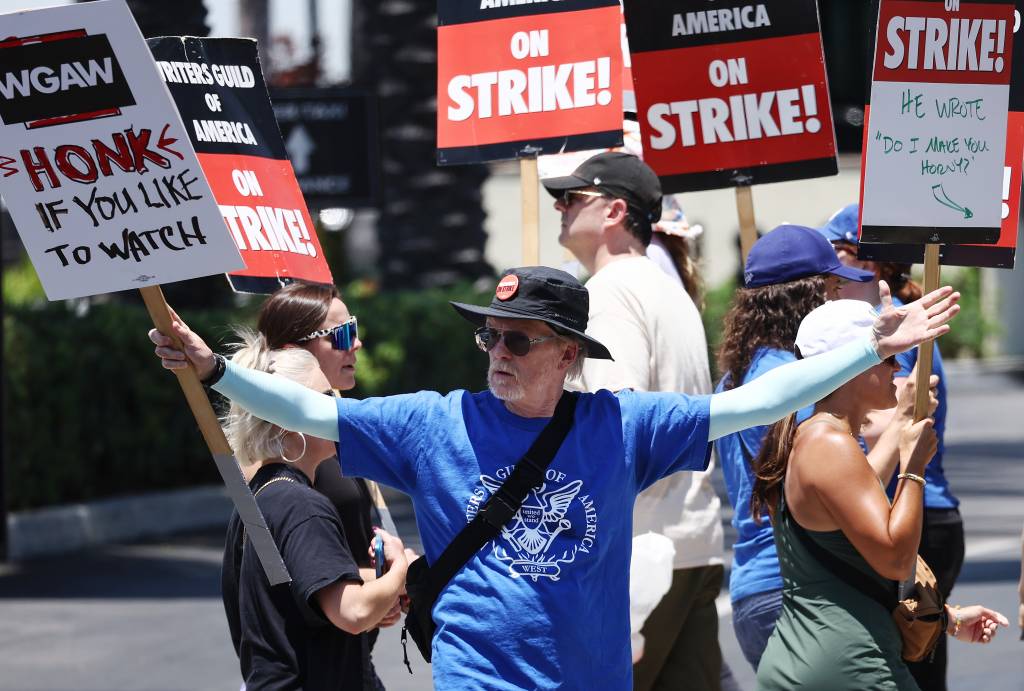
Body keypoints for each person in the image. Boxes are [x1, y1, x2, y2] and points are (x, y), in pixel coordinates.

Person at [150, 266, 959, 690]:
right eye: (490, 337)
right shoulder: (432, 422)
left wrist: (872, 348)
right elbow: (307, 410)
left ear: (568, 354)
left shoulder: (620, 424)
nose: (497, 352)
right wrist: (215, 367)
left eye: (519, 340)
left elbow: (755, 402)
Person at [753, 299, 1008, 691]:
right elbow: (895, 559)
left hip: (817, 660)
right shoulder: (829, 445)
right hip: (849, 667)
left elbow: (858, 514)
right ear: (853, 366)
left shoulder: (816, 436)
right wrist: (914, 467)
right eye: (888, 357)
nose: (897, 368)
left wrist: (947, 619)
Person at [545, 151, 725, 691]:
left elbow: (615, 424)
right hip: (691, 540)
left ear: (615, 211)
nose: (559, 207)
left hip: (638, 553)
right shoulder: (669, 289)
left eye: (572, 197)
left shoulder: (608, 292)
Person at [714, 223, 878, 670]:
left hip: (758, 590)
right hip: (798, 590)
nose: (837, 299)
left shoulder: (736, 376)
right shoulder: (792, 381)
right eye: (833, 288)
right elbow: (843, 492)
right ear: (807, 295)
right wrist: (903, 440)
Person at [819, 203, 963, 690]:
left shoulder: (900, 330)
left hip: (915, 510)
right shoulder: (884, 325)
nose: (831, 271)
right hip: (905, 507)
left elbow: (885, 429)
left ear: (872, 260)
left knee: (909, 672)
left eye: (839, 254)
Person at [218, 335, 408, 690]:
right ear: (286, 420)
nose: (335, 410)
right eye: (323, 399)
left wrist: (379, 591)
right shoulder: (302, 506)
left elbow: (295, 606)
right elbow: (353, 612)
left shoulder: (261, 497)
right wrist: (400, 568)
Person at [253, 281, 399, 687]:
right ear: (294, 352)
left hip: (350, 657)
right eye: (343, 334)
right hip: (310, 666)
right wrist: (386, 583)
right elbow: (287, 565)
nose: (358, 343)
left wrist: (382, 583)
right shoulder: (279, 460)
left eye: (355, 328)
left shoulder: (333, 437)